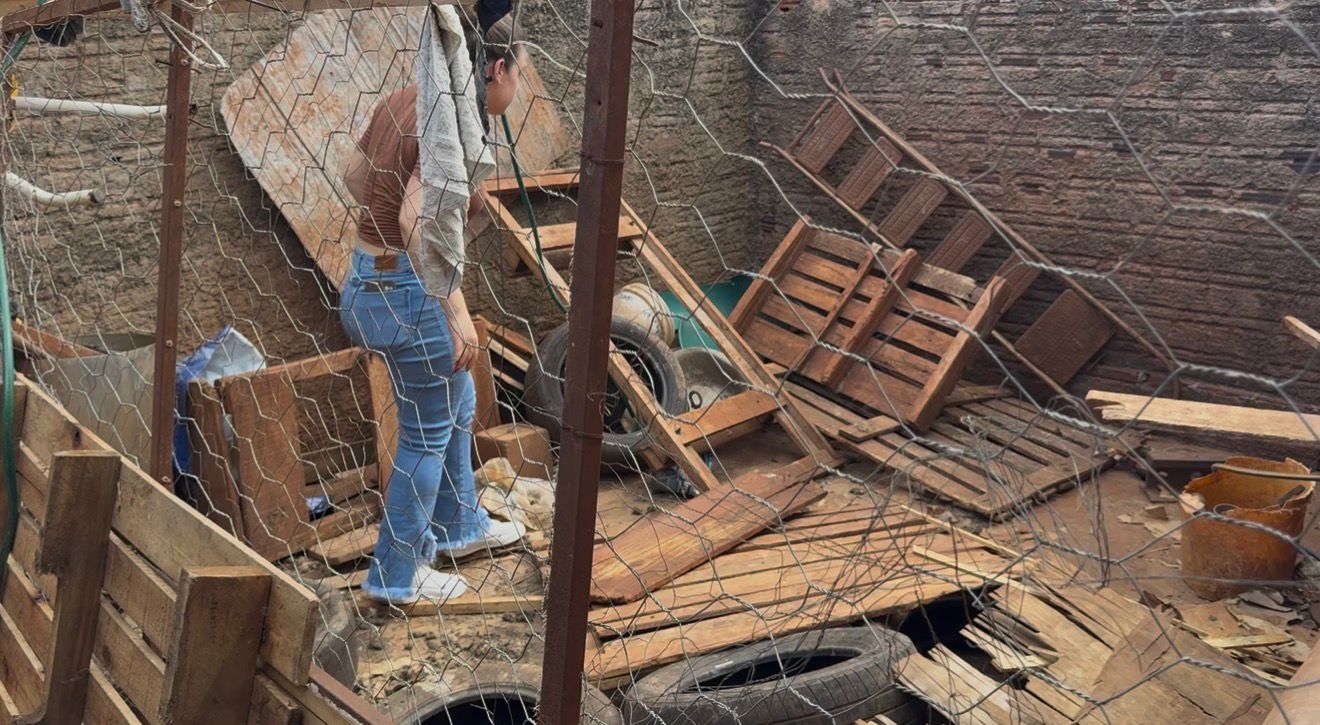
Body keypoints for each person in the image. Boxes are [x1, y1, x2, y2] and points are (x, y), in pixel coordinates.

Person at [339, 14, 527, 605]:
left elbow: (354, 176)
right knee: (423, 436)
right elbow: (416, 223)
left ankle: (457, 525)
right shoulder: (447, 118)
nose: (517, 88)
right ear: (497, 68)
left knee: (457, 399)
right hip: (408, 292)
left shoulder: (407, 96)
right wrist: (456, 314)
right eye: (519, 75)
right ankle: (397, 574)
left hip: (366, 280)